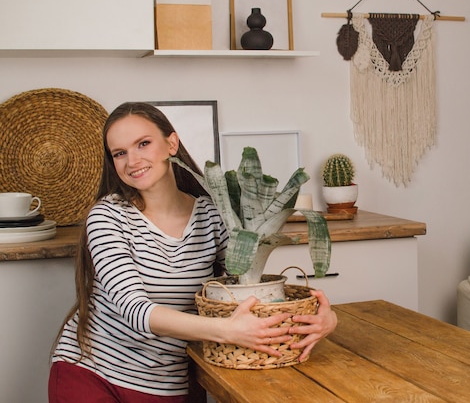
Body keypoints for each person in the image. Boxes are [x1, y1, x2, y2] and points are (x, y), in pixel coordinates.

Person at [49, 102, 337, 403]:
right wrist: (226, 331)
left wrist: (324, 319)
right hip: (95, 375)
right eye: (119, 153)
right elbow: (135, 310)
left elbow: (245, 291)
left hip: (174, 383)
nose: (132, 160)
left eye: (143, 144)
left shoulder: (212, 216)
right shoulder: (107, 217)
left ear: (171, 143)